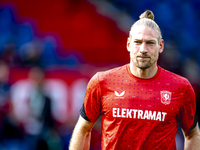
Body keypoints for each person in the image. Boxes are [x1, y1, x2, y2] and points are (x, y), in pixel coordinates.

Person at [69, 10, 200, 150]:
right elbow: (83, 129)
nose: (143, 49)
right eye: (137, 42)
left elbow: (192, 133)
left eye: (150, 43)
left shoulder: (180, 87)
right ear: (128, 44)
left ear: (160, 46)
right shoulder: (102, 82)